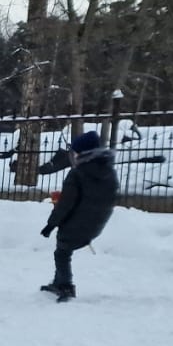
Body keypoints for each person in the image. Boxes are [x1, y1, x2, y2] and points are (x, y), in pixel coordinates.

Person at [39, 129, 117, 302]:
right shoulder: (109, 171)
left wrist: (51, 224)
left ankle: (65, 285)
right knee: (64, 249)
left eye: (74, 152)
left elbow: (65, 204)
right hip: (97, 223)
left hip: (77, 222)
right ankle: (60, 281)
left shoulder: (78, 173)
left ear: (81, 152)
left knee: (62, 252)